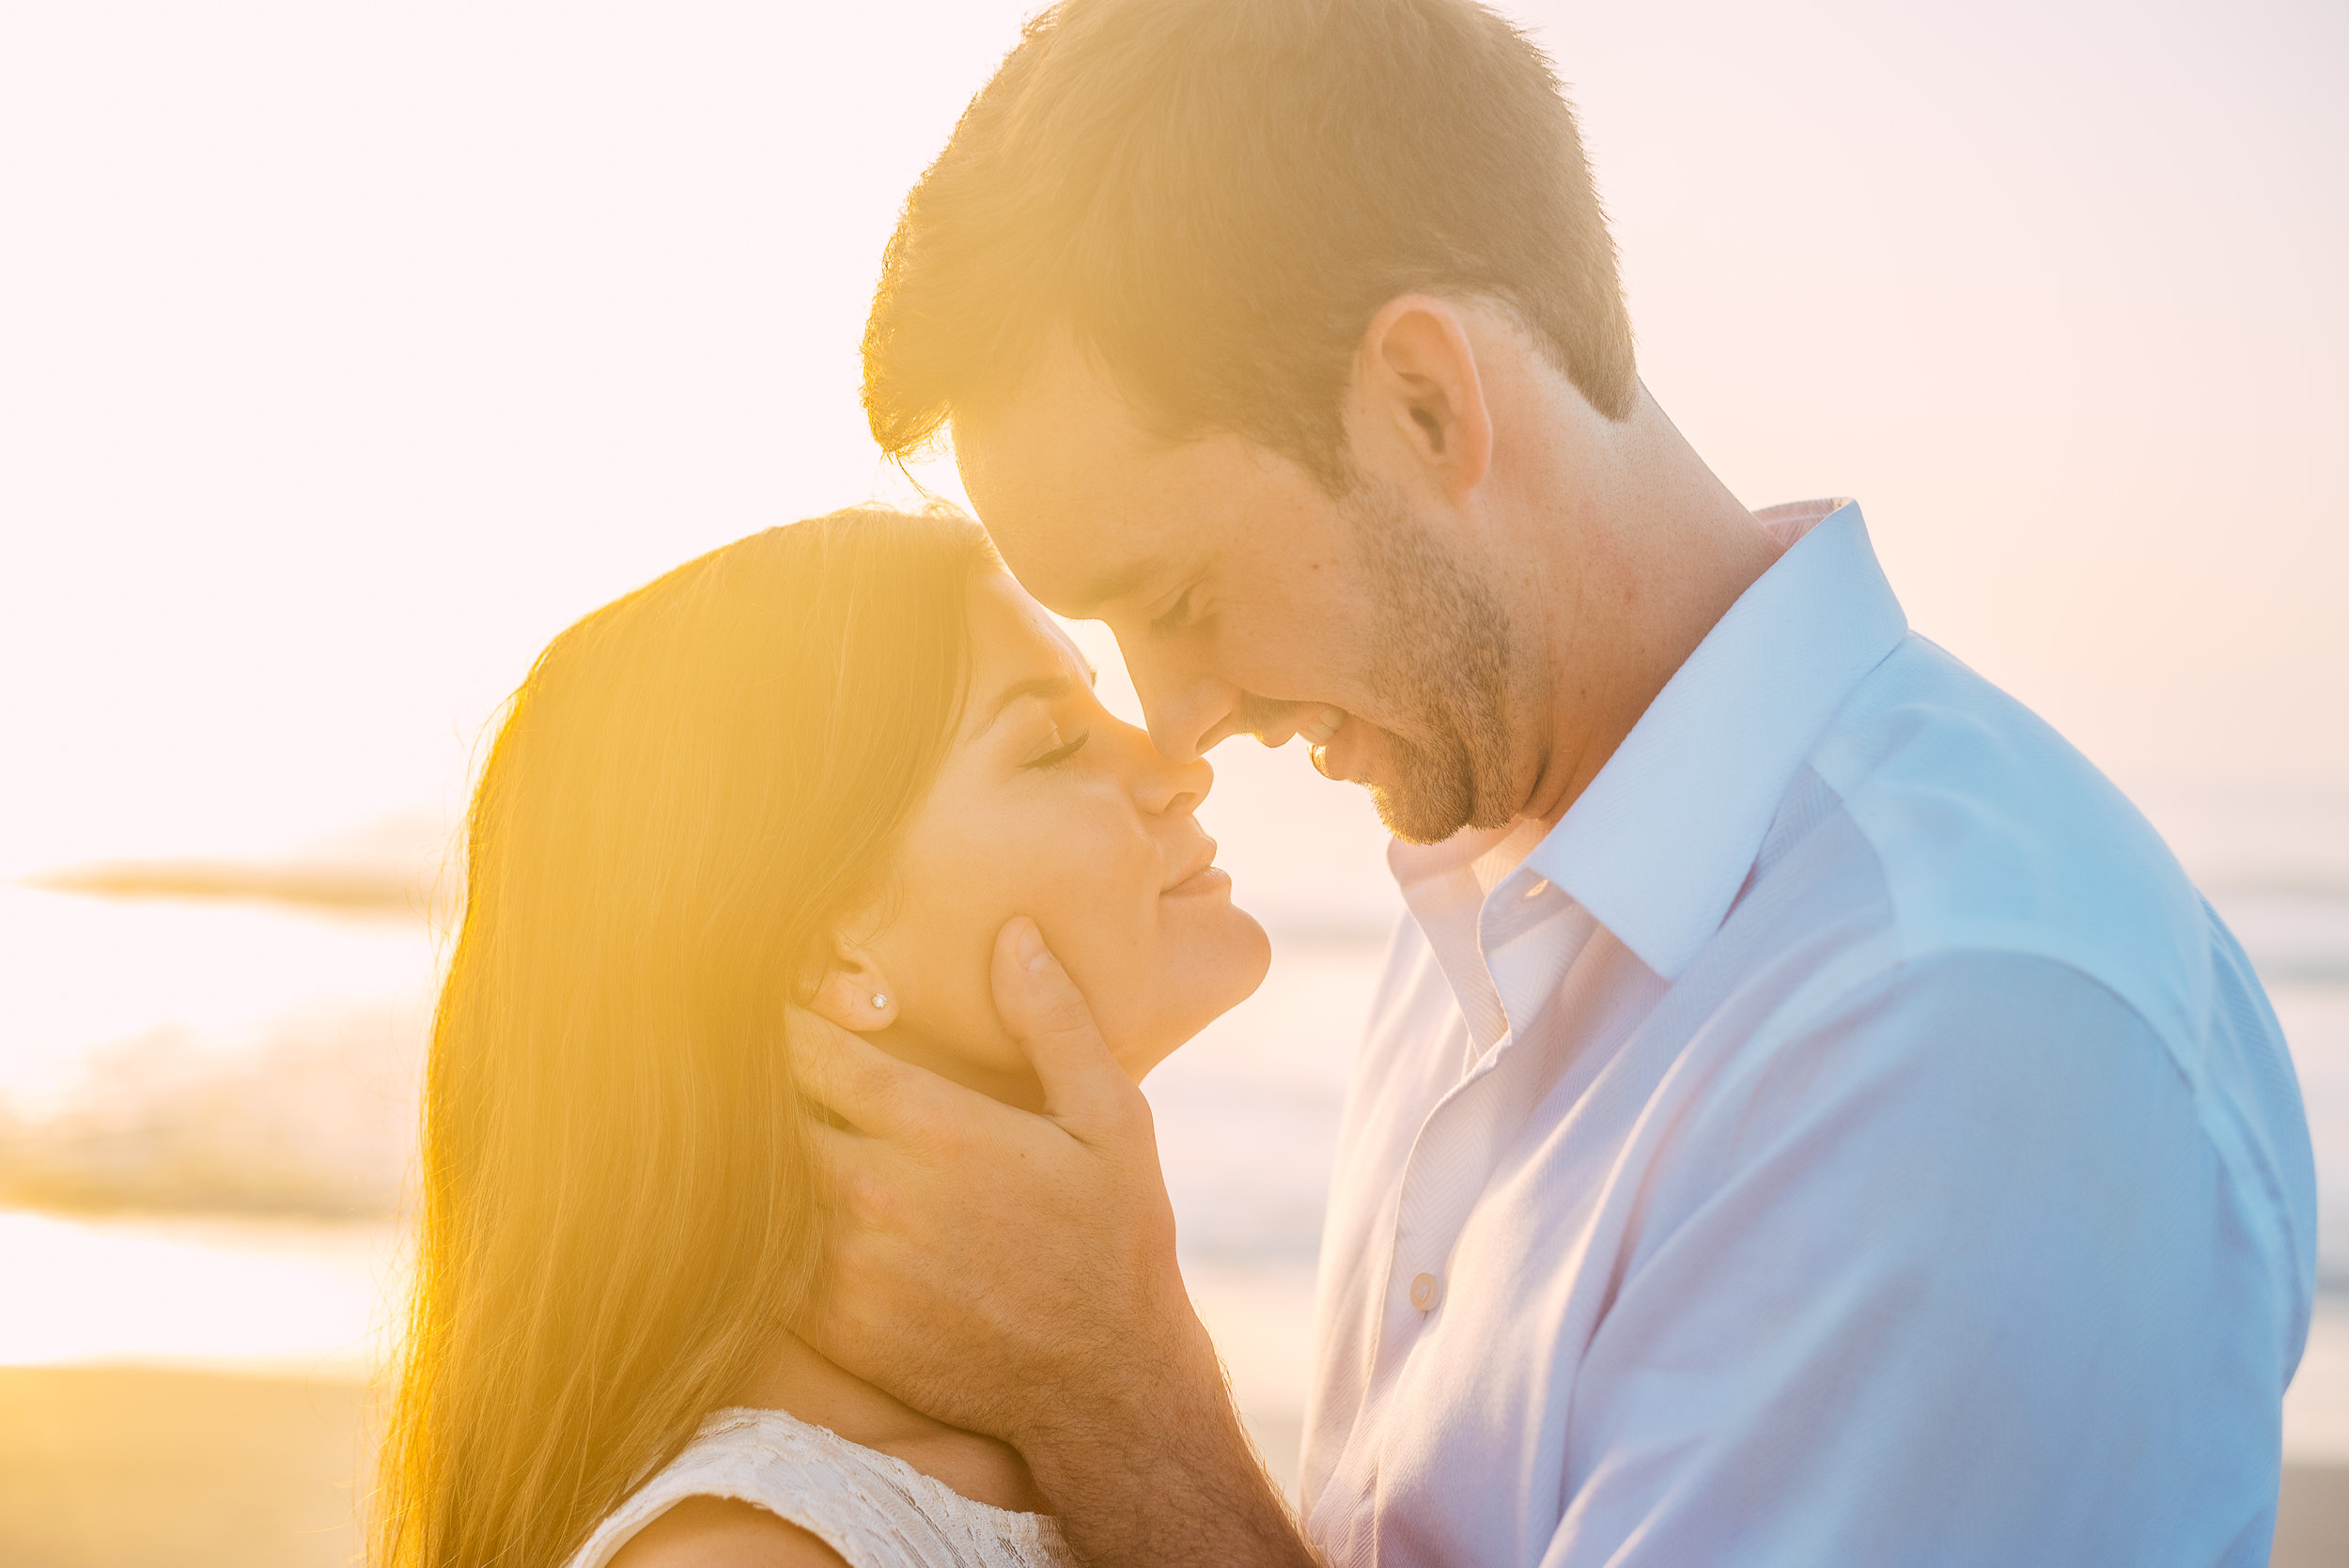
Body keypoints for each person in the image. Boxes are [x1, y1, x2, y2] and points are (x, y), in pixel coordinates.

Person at [800, 0, 2322, 1563]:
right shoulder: (1487, 879)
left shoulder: (1963, 1031)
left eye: (1179, 594)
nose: (1175, 714)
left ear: (1426, 403)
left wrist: (1119, 1397)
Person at [371, 507, 1273, 1568]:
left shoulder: (1059, 1441)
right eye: (1055, 744)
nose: (1179, 764)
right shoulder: (746, 1554)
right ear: (828, 955)